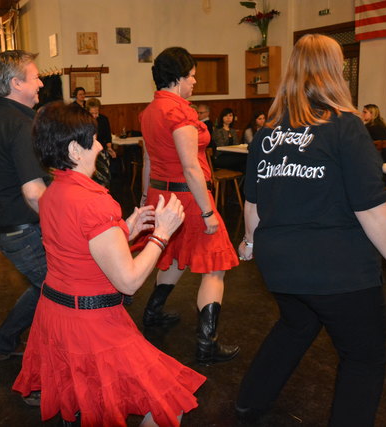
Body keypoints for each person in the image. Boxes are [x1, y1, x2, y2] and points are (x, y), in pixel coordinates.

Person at [235, 34, 386, 426]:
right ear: (335, 71)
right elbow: (371, 207)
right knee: (363, 357)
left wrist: (250, 242)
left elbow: (253, 203)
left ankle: (248, 402)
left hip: (281, 266)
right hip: (337, 269)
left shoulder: (267, 133)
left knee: (297, 323)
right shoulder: (346, 127)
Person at [13, 102, 205, 427]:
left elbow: (79, 247)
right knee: (168, 404)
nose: (101, 145)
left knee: (87, 402)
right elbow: (128, 282)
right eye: (93, 139)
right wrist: (162, 234)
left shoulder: (52, 193)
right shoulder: (94, 202)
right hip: (92, 325)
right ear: (75, 150)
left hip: (57, 317)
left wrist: (124, 229)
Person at [139, 47, 240, 365]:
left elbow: (148, 161)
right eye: (192, 76)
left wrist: (144, 199)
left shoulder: (149, 111)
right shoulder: (179, 112)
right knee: (215, 267)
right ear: (177, 78)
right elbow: (191, 167)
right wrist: (208, 211)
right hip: (188, 198)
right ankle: (207, 344)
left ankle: (152, 312)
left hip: (162, 196)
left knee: (173, 256)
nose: (194, 82)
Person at [0, 50, 48, 362]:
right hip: (25, 231)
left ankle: (6, 342)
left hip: (7, 227)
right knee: (60, 289)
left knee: (47, 286)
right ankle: (39, 361)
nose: (41, 83)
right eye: (35, 77)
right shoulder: (22, 125)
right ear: (17, 83)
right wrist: (63, 223)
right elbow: (34, 193)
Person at [86, 97, 115, 188]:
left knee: (104, 178)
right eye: (92, 113)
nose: (95, 115)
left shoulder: (103, 119)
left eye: (97, 112)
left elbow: (108, 136)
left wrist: (109, 148)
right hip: (88, 153)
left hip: (102, 151)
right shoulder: (84, 121)